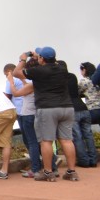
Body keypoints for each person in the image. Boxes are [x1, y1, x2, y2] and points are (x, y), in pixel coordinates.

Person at [14, 48, 78, 181]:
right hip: (67, 107)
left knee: (46, 141)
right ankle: (72, 172)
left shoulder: (38, 71)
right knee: (67, 140)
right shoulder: (62, 68)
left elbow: (16, 73)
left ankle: (48, 172)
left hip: (47, 108)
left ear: (42, 59)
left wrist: (23, 59)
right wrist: (39, 56)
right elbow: (49, 62)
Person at [66, 64, 97, 169]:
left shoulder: (83, 81)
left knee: (77, 136)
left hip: (73, 110)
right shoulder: (72, 77)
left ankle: (84, 161)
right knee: (88, 135)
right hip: (84, 109)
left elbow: (78, 91)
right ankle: (93, 160)